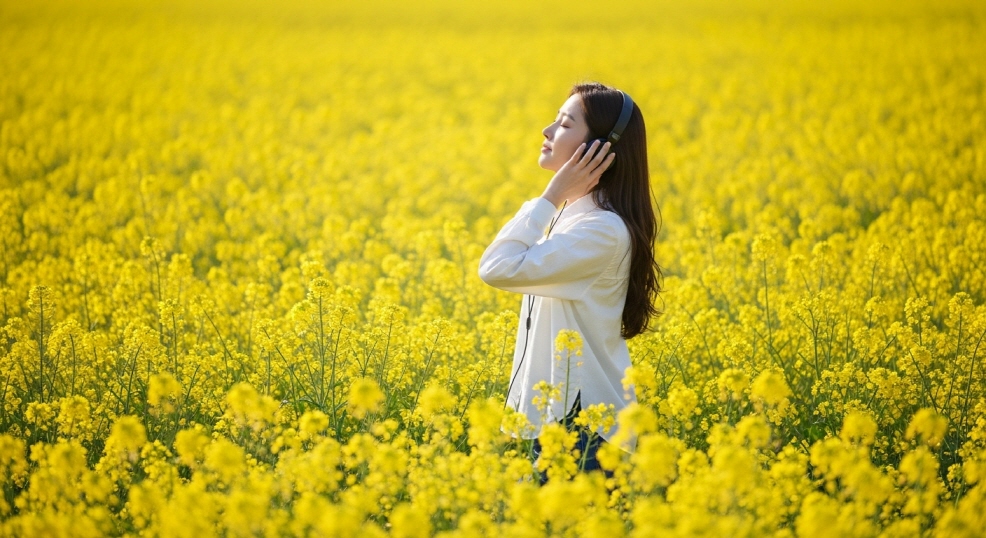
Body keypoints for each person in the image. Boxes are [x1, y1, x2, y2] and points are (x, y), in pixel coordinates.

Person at [478, 82, 662, 483]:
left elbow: (496, 268)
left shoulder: (601, 231)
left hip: (583, 427)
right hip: (561, 419)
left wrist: (550, 195)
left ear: (598, 150)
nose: (546, 131)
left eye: (563, 124)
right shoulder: (577, 217)